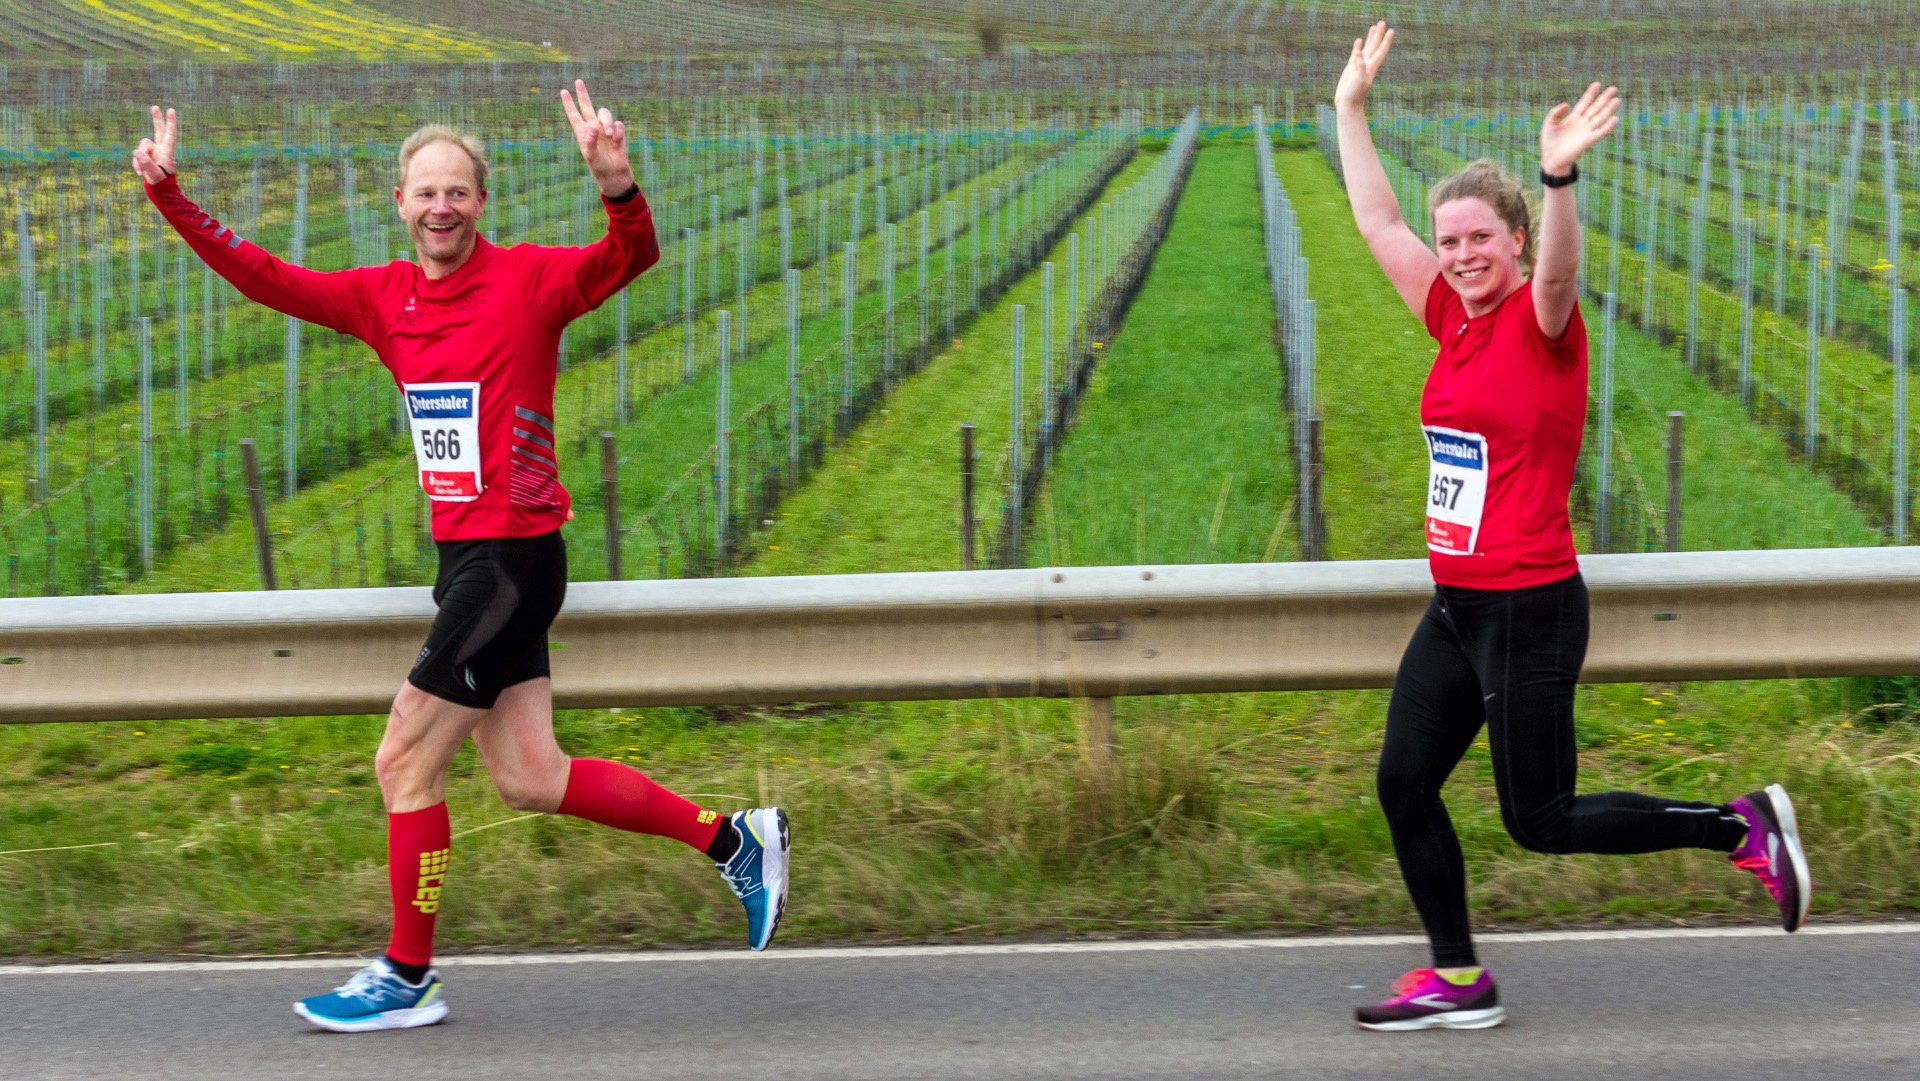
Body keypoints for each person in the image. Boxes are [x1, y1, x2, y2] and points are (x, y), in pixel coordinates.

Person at [133, 83, 790, 1034]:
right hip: (468, 564)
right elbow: (263, 276)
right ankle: (736, 839)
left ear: (481, 203)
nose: (441, 206)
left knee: (403, 755)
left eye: (458, 192)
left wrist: (618, 187)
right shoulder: (380, 299)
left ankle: (406, 973)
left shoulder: (528, 280)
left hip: (512, 560)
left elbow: (630, 256)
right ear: (400, 204)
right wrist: (169, 196)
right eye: (425, 192)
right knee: (530, 775)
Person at [1332, 23, 1809, 1032]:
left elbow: (1557, 277)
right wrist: (1350, 109)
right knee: (1404, 784)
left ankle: (1740, 827)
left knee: (1537, 820)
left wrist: (1557, 182)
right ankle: (1456, 979)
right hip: (1459, 606)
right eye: (1450, 239)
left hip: (1530, 606)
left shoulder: (1543, 328)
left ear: (1510, 240)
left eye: (1479, 239)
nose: (1460, 255)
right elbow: (1377, 224)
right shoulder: (1450, 317)